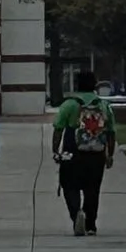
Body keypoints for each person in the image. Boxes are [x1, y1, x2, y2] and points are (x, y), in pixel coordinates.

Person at [50, 72, 115, 235]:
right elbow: (111, 132)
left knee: (69, 185)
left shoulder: (70, 104)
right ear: (94, 86)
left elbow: (58, 128)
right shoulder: (103, 105)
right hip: (96, 153)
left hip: (72, 151)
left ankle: (76, 213)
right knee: (92, 188)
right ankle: (90, 224)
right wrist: (110, 154)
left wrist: (55, 150)